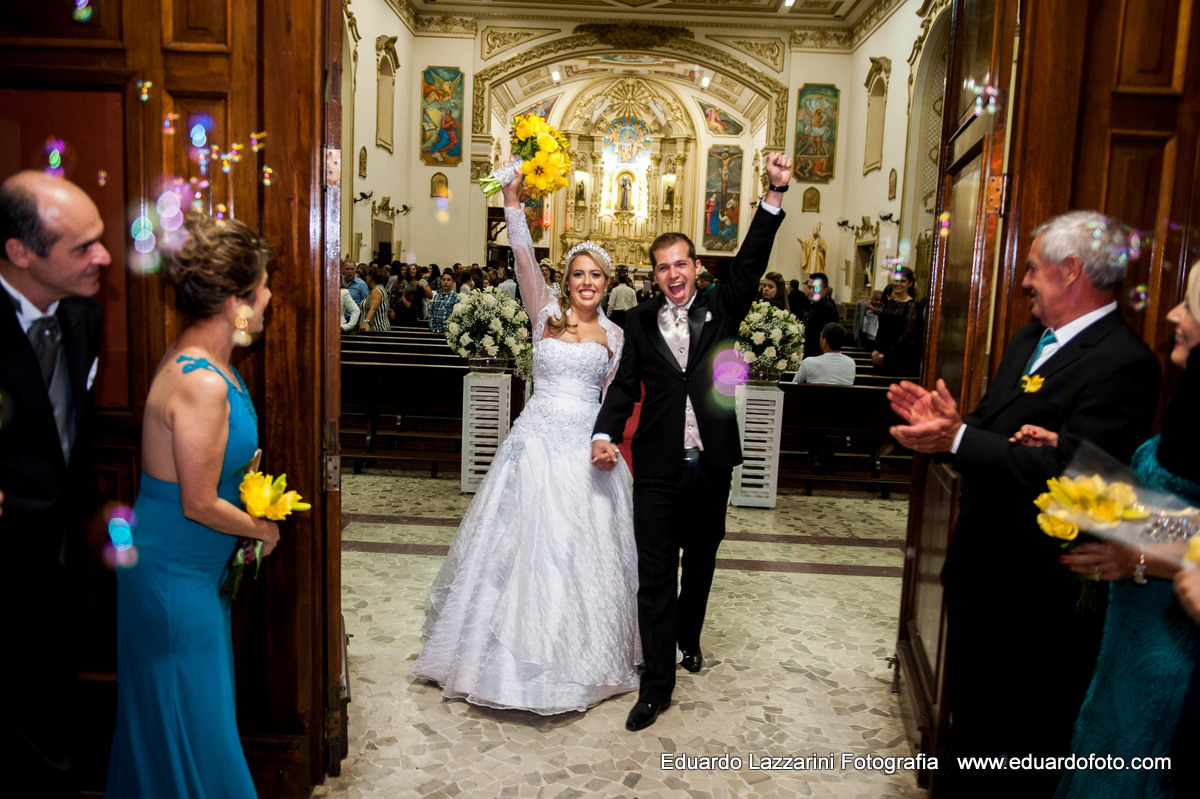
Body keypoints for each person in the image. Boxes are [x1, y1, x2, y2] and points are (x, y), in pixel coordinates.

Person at [887, 210, 1161, 797]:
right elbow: (988, 433)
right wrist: (953, 426)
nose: (1026, 282)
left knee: (1019, 753)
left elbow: (1087, 480)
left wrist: (960, 439)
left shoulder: (1125, 365)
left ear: (1070, 271)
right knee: (972, 735)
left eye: (1033, 269)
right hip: (978, 577)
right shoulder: (1026, 341)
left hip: (1036, 603)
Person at [411, 161, 640, 715]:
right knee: (511, 545)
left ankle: (575, 655)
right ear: (567, 280)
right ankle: (484, 658)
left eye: (597, 277)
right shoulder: (545, 314)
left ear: (609, 285)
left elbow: (614, 400)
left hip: (584, 452)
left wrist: (606, 441)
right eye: (579, 274)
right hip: (533, 441)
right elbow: (521, 259)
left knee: (574, 551)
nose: (587, 283)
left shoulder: (615, 336)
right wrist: (512, 200)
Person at [591, 151, 792, 732]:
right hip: (654, 464)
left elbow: (752, 262)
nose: (672, 274)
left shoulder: (722, 308)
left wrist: (772, 197)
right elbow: (626, 386)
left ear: (697, 267)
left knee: (699, 559)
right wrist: (604, 430)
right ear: (653, 274)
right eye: (662, 267)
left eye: (681, 264)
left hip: (711, 462)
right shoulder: (638, 322)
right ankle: (656, 686)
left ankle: (689, 637)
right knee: (655, 573)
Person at [105, 212, 279, 797]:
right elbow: (199, 501)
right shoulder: (202, 381)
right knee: (198, 730)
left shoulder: (212, 362)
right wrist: (261, 528)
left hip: (192, 571)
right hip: (173, 576)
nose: (269, 294)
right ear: (237, 301)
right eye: (262, 286)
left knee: (186, 721)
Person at [1028, 259, 1200, 799]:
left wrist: (1140, 559)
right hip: (1131, 635)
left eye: (1191, 305)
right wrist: (1069, 459)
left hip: (1172, 643)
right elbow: (1168, 504)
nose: (1173, 312)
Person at [0, 171, 109, 797]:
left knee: (50, 725)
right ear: (22, 254)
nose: (103, 257)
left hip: (60, 565)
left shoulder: (82, 319)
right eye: (81, 247)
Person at [872, 267, 922, 376]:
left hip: (900, 356)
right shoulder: (890, 303)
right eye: (896, 280)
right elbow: (881, 328)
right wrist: (875, 349)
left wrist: (885, 354)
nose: (898, 284)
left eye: (902, 281)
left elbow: (907, 334)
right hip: (882, 355)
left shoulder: (911, 306)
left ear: (910, 283)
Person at [802, 272, 838, 359]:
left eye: (816, 288)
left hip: (818, 357)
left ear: (825, 290)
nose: (811, 291)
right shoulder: (813, 305)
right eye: (809, 287)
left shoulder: (827, 308)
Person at [359, 263, 391, 331]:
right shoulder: (380, 288)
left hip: (376, 328)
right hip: (379, 326)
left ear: (371, 277)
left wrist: (366, 322)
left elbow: (373, 309)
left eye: (368, 275)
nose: (366, 277)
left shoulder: (376, 290)